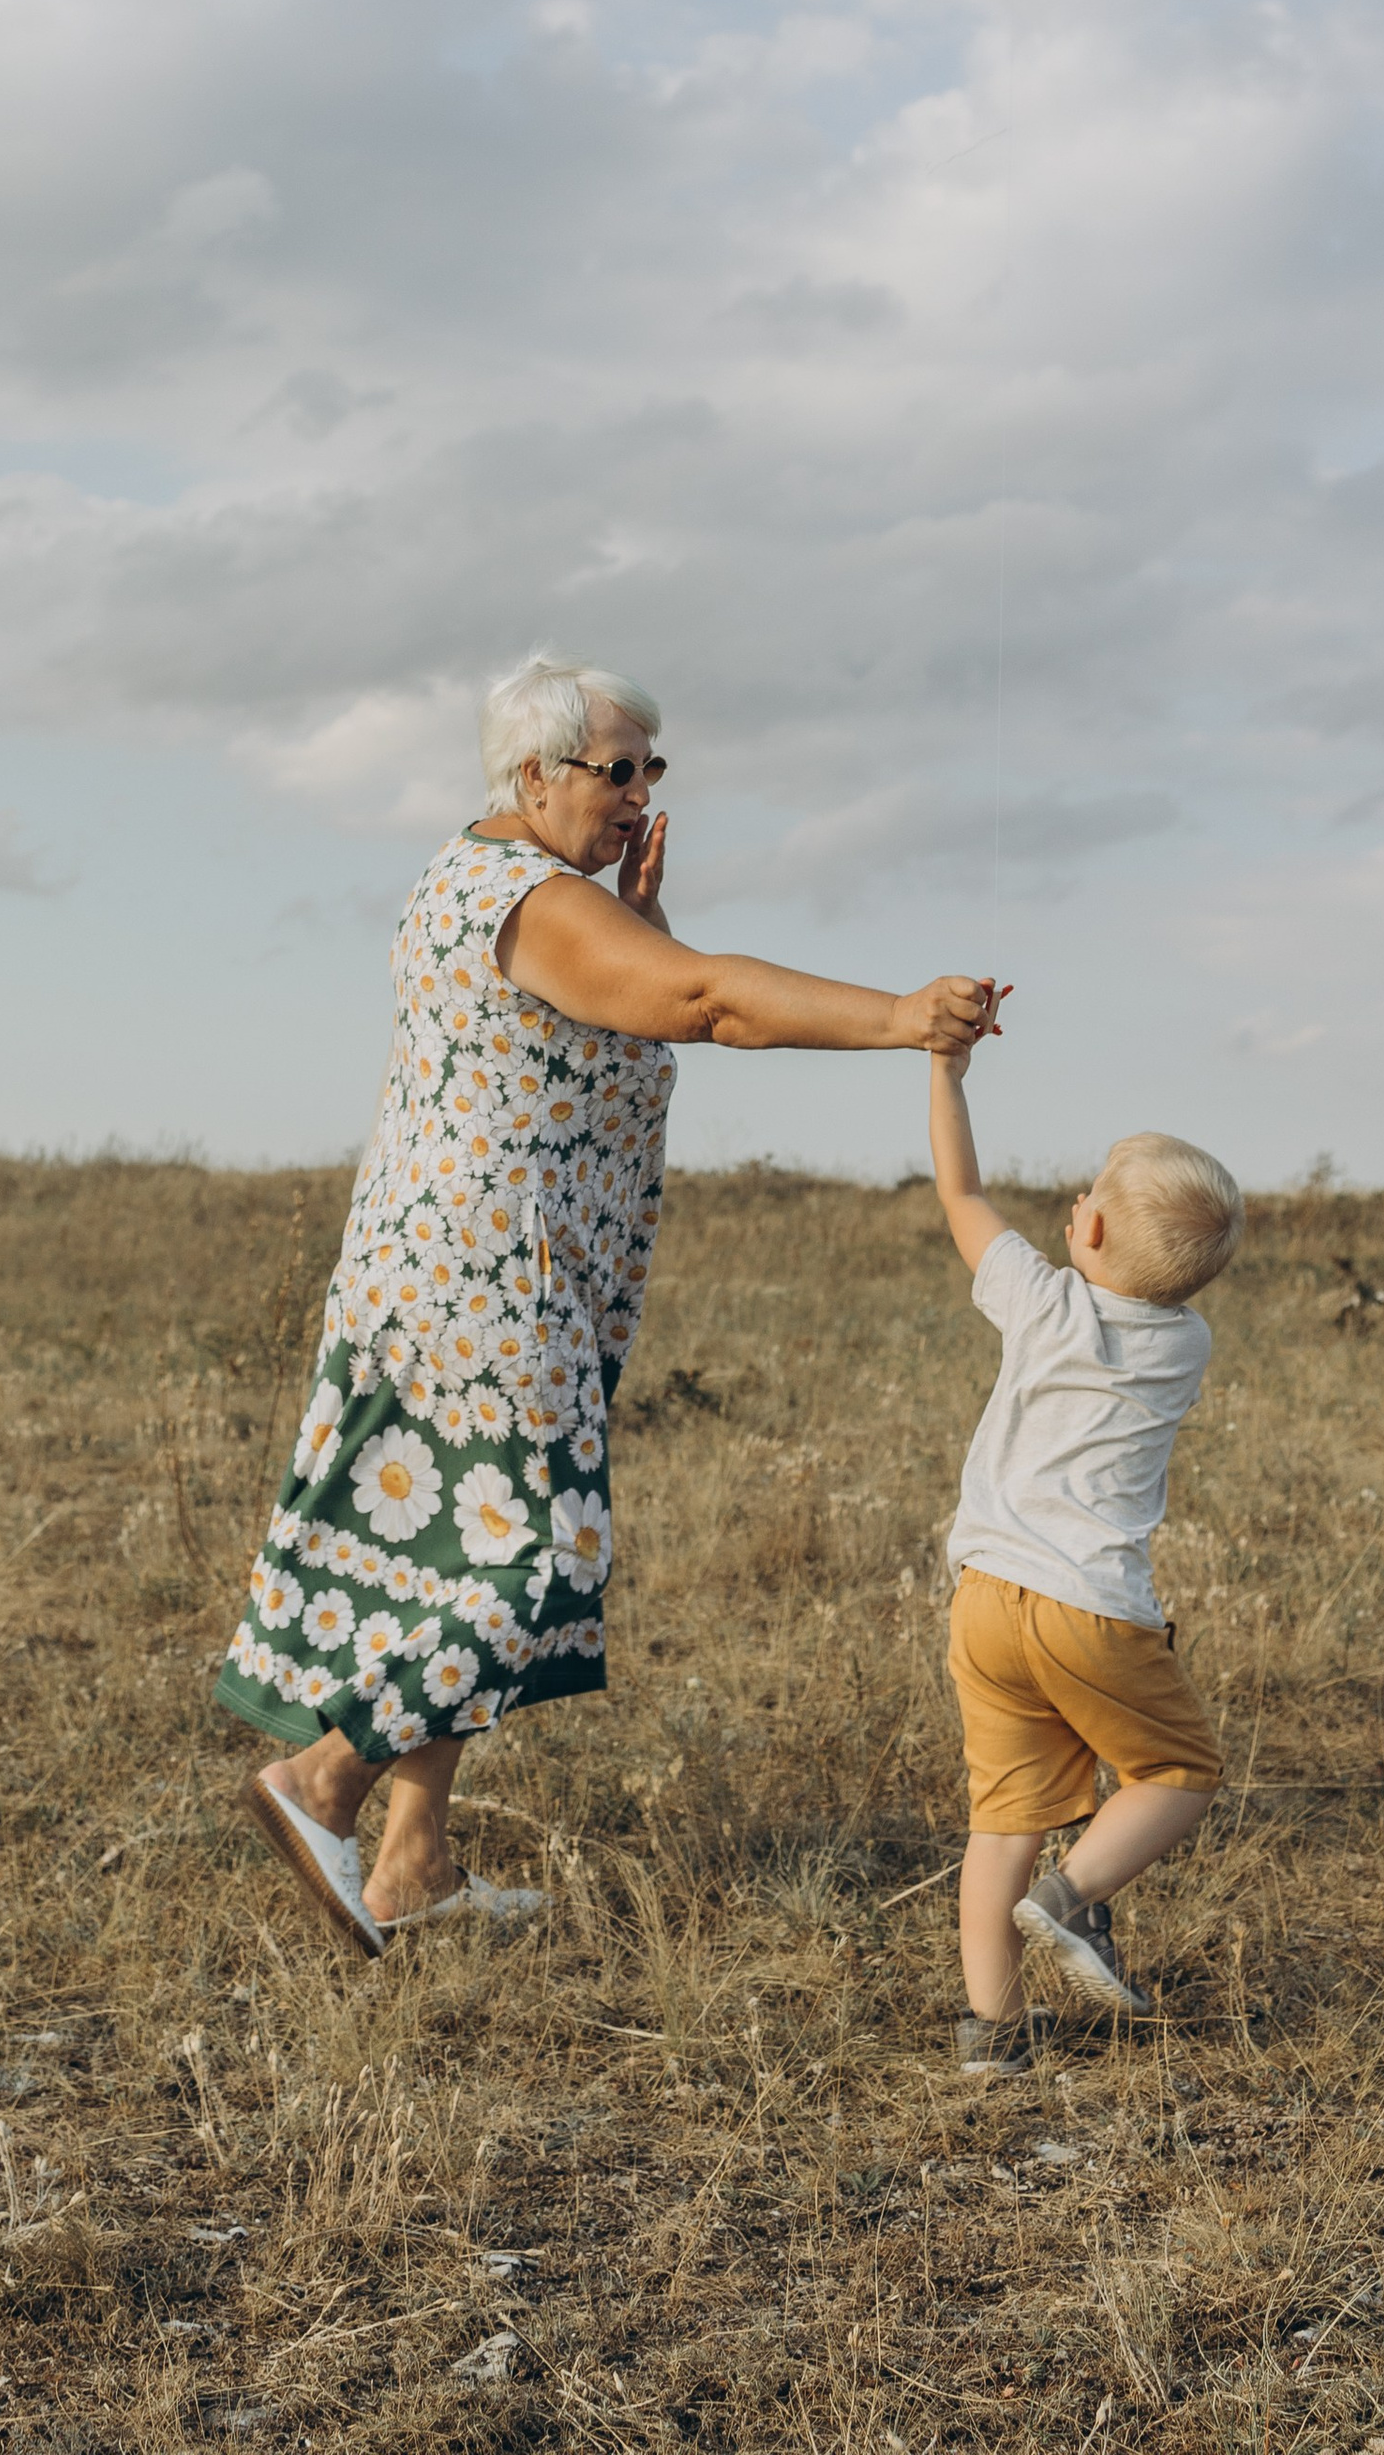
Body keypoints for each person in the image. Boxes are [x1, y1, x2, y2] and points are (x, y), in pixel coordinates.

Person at [221, 652, 1004, 1954]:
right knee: (539, 1562)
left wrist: (640, 924)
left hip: (451, 1277)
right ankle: (325, 1779)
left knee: (455, 1559)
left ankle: (413, 1864)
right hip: (486, 1285)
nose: (642, 792)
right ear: (533, 774)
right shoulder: (527, 900)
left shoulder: (492, 879)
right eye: (617, 769)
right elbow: (703, 1003)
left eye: (654, 768)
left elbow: (628, 1005)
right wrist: (902, 1017)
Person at [925, 1049, 1243, 2069]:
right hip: (1091, 1609)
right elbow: (1144, 1280)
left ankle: (992, 2037)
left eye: (1089, 1192)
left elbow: (961, 1191)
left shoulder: (1038, 1300)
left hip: (984, 1600)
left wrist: (946, 1072)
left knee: (1002, 1822)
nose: (1077, 1201)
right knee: (1179, 1771)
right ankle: (1073, 1898)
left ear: (1089, 1229)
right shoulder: (1185, 1342)